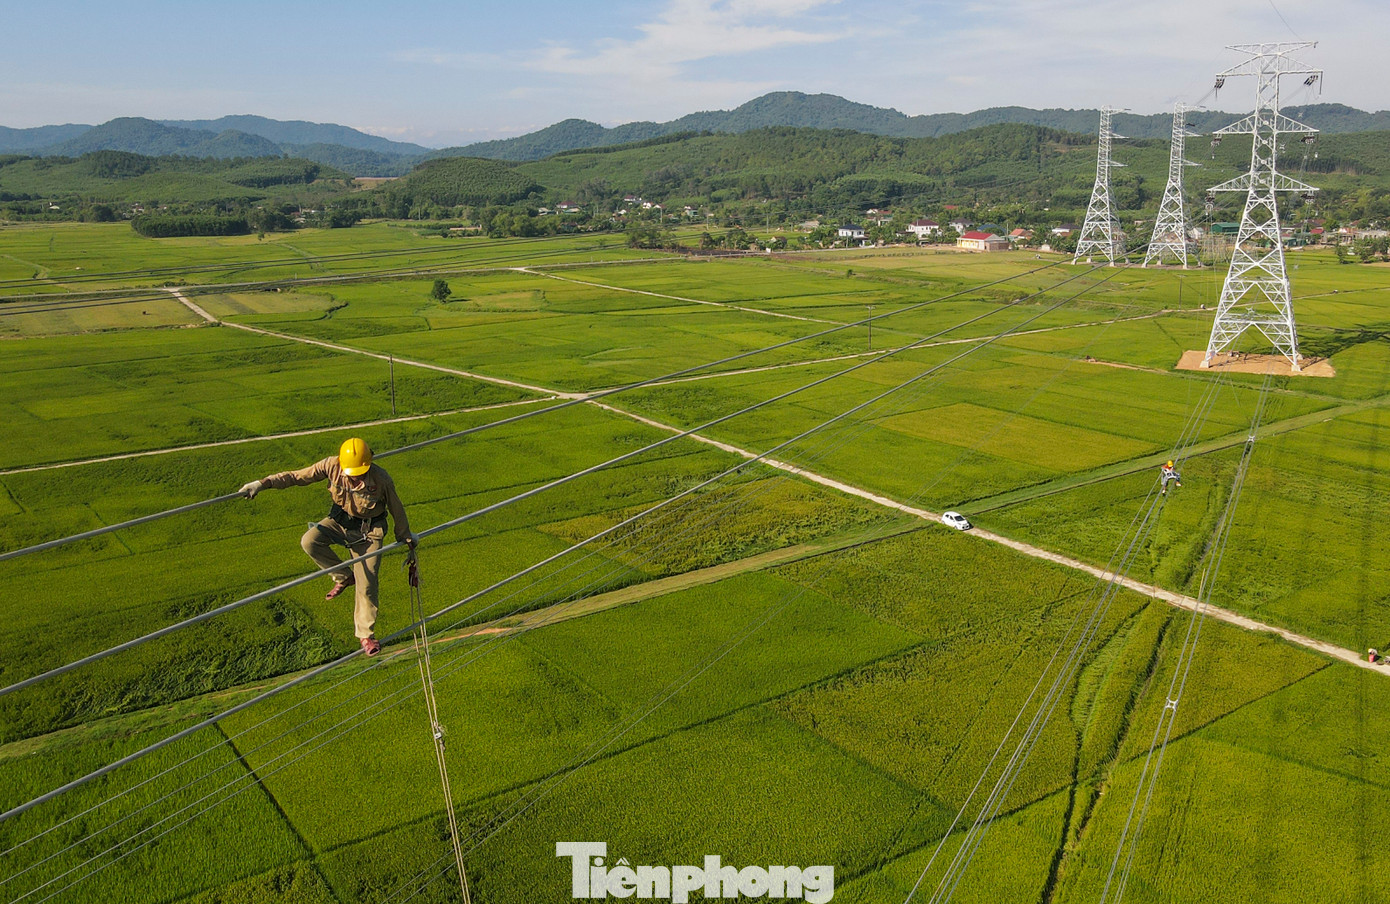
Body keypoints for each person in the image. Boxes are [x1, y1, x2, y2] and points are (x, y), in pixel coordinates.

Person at [239, 438, 416, 656]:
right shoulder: (331, 466)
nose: (355, 476)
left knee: (367, 582)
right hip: (340, 522)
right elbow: (296, 476)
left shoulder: (381, 479)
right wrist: (262, 483)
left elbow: (397, 509)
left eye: (360, 472)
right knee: (310, 541)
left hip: (368, 532)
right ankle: (343, 576)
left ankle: (365, 635)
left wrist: (406, 537)